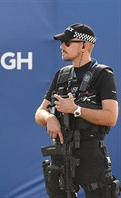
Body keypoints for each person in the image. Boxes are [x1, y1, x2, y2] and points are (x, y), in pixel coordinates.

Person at [35, 23, 120, 198]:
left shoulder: (103, 75)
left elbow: (111, 118)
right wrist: (50, 118)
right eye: (62, 43)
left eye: (67, 43)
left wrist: (77, 110)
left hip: (90, 153)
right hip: (61, 152)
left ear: (84, 46)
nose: (61, 47)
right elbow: (39, 113)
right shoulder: (62, 75)